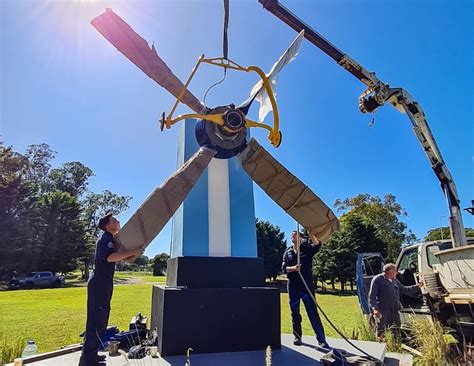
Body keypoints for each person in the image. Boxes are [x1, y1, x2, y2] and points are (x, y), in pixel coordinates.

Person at [79, 213, 144, 366]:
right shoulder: (106, 239)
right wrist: (133, 252)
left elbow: (118, 255)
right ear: (108, 225)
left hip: (103, 284)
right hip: (100, 285)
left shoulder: (111, 239)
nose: (118, 221)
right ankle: (87, 361)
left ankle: (92, 356)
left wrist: (130, 252)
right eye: (114, 220)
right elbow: (109, 257)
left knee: (101, 321)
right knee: (96, 322)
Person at [282, 230, 328, 348]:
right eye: (292, 234)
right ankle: (297, 336)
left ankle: (321, 340)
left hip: (306, 287)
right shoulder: (288, 252)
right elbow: (283, 268)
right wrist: (293, 268)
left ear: (301, 238)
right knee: (295, 313)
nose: (294, 235)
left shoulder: (307, 249)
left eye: (296, 234)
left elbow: (317, 245)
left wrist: (312, 234)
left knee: (313, 313)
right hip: (293, 288)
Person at [368, 263, 423, 342]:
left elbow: (405, 290)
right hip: (382, 310)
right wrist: (375, 309)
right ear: (390, 271)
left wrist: (418, 286)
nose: (397, 273)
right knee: (381, 330)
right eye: (395, 271)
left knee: (396, 328)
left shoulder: (394, 280)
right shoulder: (378, 279)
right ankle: (379, 346)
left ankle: (395, 346)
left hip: (394, 310)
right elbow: (372, 296)